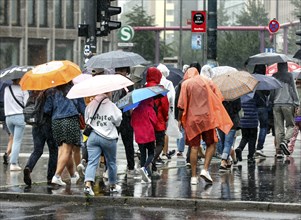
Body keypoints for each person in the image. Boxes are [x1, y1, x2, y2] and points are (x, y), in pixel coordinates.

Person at [178, 67, 232, 185]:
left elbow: (181, 105)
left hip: (192, 120)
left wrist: (179, 120)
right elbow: (219, 98)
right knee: (211, 144)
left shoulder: (185, 84)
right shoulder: (208, 82)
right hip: (207, 119)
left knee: (194, 147)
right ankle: (205, 169)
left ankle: (193, 177)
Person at [44, 82, 85, 186]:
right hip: (70, 120)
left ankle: (73, 176)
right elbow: (82, 108)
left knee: (63, 150)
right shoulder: (75, 89)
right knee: (67, 151)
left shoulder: (51, 91)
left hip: (56, 122)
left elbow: (47, 109)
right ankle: (57, 176)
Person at [84, 92, 122, 196]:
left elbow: (87, 120)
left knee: (92, 162)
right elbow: (118, 121)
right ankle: (113, 185)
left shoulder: (90, 105)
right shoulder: (112, 106)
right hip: (108, 138)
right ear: (108, 93)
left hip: (93, 137)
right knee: (111, 162)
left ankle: (88, 185)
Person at [23, 90, 58, 186]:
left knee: (37, 150)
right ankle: (50, 177)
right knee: (53, 151)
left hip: (36, 125)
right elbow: (48, 110)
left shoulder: (33, 93)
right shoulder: (50, 93)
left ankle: (28, 167)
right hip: (48, 125)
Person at [270, 62, 299, 158]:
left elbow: (272, 91)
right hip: (288, 104)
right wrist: (297, 103)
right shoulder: (289, 76)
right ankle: (285, 141)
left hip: (276, 104)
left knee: (278, 127)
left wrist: (271, 101)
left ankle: (278, 151)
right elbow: (293, 90)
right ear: (286, 66)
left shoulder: (274, 76)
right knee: (291, 125)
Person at [111, 67, 136, 178]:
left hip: (114, 117)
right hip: (124, 117)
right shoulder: (128, 84)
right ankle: (130, 168)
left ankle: (109, 168)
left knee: (112, 143)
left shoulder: (110, 82)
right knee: (128, 144)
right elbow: (131, 102)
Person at [145, 67, 169, 177]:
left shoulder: (144, 88)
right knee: (160, 143)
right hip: (158, 120)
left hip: (147, 120)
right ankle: (151, 162)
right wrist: (165, 118)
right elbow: (165, 106)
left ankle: (152, 166)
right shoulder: (160, 89)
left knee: (150, 144)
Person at [4, 78, 29, 171]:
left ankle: (14, 160)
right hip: (19, 116)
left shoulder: (7, 89)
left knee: (14, 139)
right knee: (17, 141)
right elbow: (27, 104)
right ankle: (13, 163)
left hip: (8, 118)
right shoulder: (23, 89)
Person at [131, 98, 157, 183]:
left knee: (143, 155)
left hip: (139, 135)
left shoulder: (135, 110)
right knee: (151, 153)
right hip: (149, 134)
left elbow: (132, 123)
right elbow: (154, 121)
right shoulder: (149, 109)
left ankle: (143, 177)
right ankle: (144, 168)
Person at [157, 63, 176, 160]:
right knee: (165, 131)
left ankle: (156, 153)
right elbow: (172, 96)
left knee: (155, 131)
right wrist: (171, 108)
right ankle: (164, 152)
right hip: (165, 109)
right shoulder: (168, 83)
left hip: (155, 110)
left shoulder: (154, 82)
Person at [217, 98, 241, 171]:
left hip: (223, 121)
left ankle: (224, 160)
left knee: (225, 142)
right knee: (226, 143)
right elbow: (238, 108)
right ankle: (226, 160)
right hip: (228, 121)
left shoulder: (219, 96)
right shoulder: (236, 96)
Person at [252, 64, 270, 158]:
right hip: (262, 107)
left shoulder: (250, 78)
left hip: (251, 106)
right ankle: (259, 148)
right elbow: (268, 93)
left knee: (253, 127)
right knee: (263, 127)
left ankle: (251, 148)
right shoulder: (265, 79)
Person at [235, 97, 258, 164]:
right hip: (253, 119)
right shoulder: (254, 94)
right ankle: (250, 156)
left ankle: (240, 148)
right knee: (252, 139)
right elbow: (260, 104)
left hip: (243, 120)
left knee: (245, 137)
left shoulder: (241, 95)